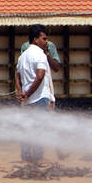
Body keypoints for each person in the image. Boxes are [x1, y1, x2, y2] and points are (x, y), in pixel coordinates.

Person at [15, 25, 54, 160]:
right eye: (44, 38)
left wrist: (21, 92)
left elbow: (17, 75)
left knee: (27, 128)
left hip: (27, 100)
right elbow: (40, 75)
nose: (46, 41)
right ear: (36, 39)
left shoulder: (22, 56)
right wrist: (28, 93)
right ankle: (37, 158)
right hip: (39, 97)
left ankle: (26, 157)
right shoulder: (40, 54)